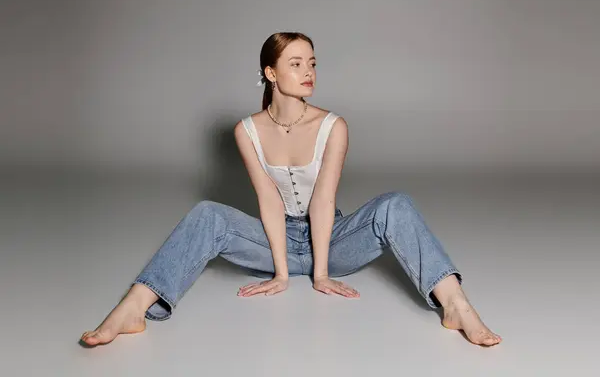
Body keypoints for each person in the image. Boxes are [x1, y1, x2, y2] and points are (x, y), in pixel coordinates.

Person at [80, 32, 501, 347]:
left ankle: (456, 307)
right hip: (272, 240)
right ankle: (133, 309)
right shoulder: (246, 131)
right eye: (296, 63)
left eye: (312, 63)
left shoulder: (333, 126)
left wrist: (320, 273)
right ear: (271, 72)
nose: (308, 73)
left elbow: (323, 200)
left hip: (331, 243)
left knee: (397, 205)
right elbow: (267, 199)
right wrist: (281, 273)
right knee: (207, 212)